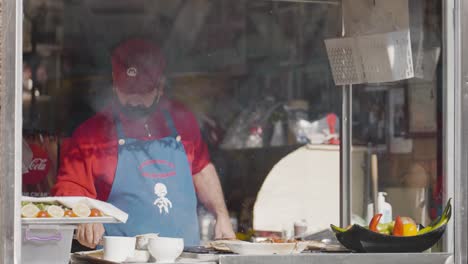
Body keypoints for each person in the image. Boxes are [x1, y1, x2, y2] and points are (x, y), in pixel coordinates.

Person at [51, 39, 235, 248]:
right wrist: (86, 216)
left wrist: (221, 215)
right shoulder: (91, 135)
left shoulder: (182, 121)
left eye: (144, 92)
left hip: (185, 257)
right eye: (128, 92)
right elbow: (69, 188)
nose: (135, 101)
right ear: (114, 82)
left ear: (161, 86)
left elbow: (201, 169)